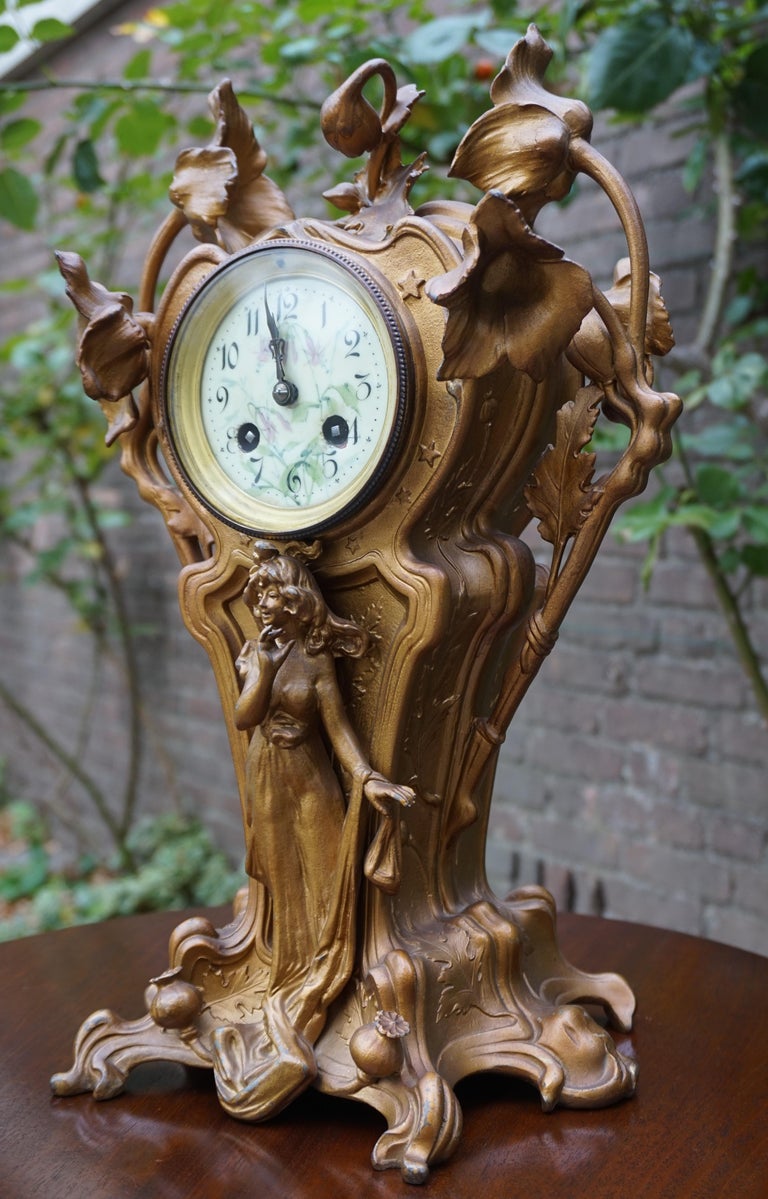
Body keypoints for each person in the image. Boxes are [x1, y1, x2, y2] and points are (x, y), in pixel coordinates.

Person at [234, 541, 415, 1005]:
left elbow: (338, 729)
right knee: (283, 872)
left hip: (310, 771)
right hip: (268, 771)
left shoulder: (317, 661)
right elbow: (245, 716)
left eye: (270, 595)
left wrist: (369, 778)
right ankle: (290, 974)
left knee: (327, 863)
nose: (261, 605)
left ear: (295, 600)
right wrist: (268, 668)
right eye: (258, 597)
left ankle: (327, 974)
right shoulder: (254, 654)